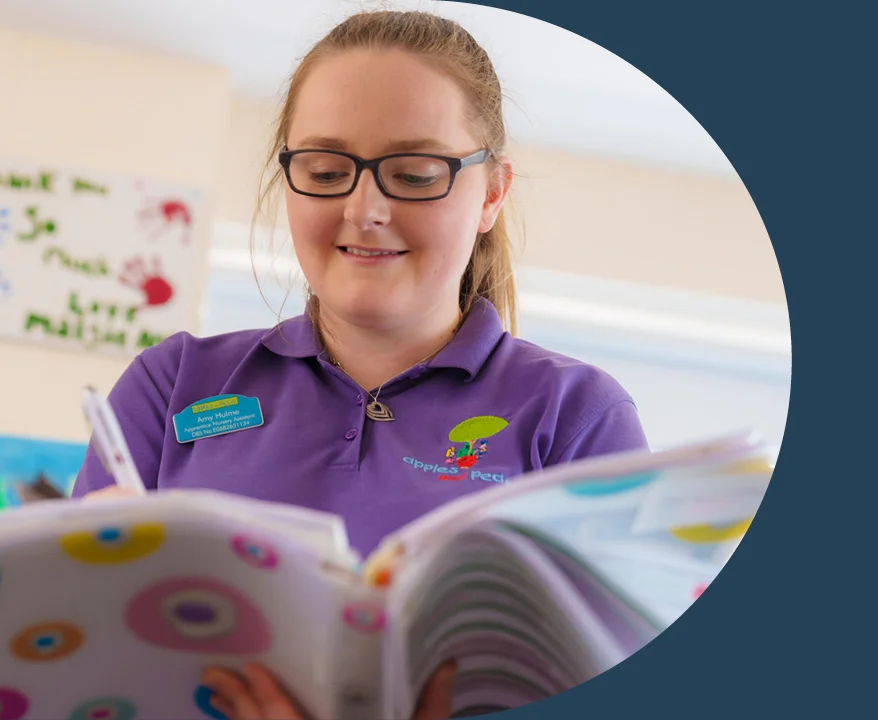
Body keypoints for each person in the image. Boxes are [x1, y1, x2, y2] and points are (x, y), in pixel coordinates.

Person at [71, 9, 649, 719]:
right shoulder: (171, 387)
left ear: (493, 194)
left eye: (414, 174)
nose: (364, 209)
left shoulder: (578, 417)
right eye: (324, 170)